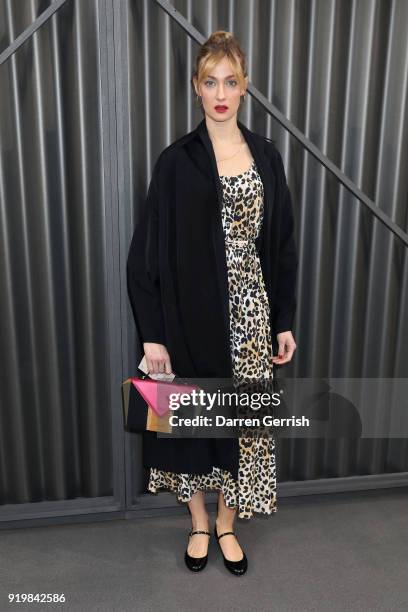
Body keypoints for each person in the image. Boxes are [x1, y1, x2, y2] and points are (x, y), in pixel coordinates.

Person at [126, 30, 298, 576]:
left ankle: (227, 524)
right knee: (189, 426)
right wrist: (153, 334)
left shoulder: (267, 157)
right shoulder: (175, 161)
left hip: (251, 318)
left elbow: (284, 246)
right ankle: (197, 521)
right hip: (186, 318)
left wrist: (284, 322)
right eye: (210, 82)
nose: (220, 93)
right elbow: (146, 252)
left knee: (242, 427)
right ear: (196, 88)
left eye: (230, 81)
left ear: (244, 88)